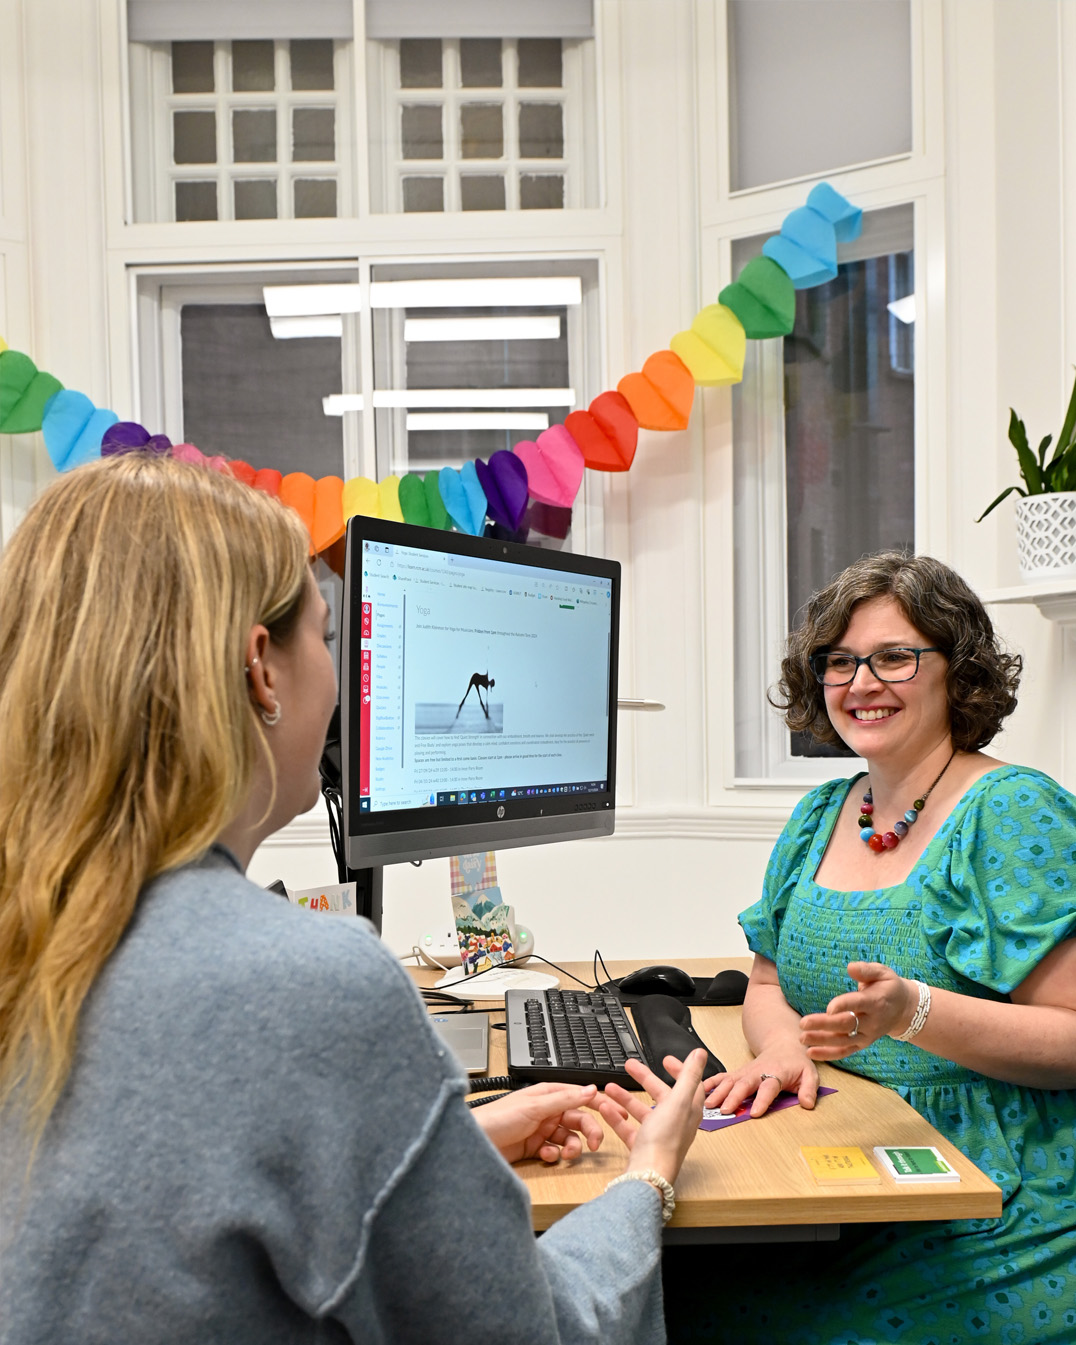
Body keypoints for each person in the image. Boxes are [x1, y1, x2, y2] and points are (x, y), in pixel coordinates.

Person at [0, 454, 706, 1345]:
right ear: (263, 670)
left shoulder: (40, 934)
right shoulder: (307, 982)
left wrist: (451, 1151)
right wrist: (647, 1178)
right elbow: (539, 1333)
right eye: (330, 637)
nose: (343, 680)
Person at [667, 552, 1076, 1343]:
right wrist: (786, 1048)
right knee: (669, 1279)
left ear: (958, 672)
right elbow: (766, 981)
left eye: (894, 656)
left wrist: (914, 1011)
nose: (861, 683)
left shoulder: (1015, 810)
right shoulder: (823, 811)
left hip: (1000, 1193)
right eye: (840, 661)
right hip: (852, 1155)